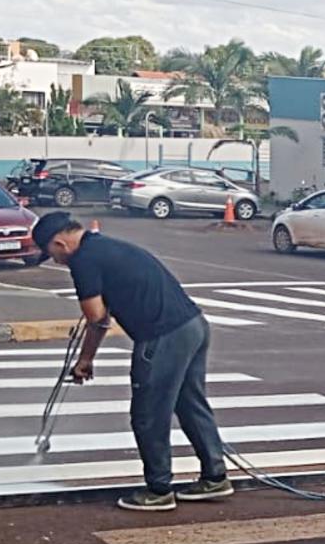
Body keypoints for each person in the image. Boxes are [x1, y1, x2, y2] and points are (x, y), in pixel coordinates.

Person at [30, 211, 231, 512]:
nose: (56, 261)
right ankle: (215, 476)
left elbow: (97, 319)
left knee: (148, 414)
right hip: (194, 325)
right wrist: (87, 356)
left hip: (163, 337)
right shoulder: (106, 246)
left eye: (51, 255)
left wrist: (85, 360)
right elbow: (102, 315)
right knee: (190, 403)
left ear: (60, 243)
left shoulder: (83, 261)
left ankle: (158, 489)